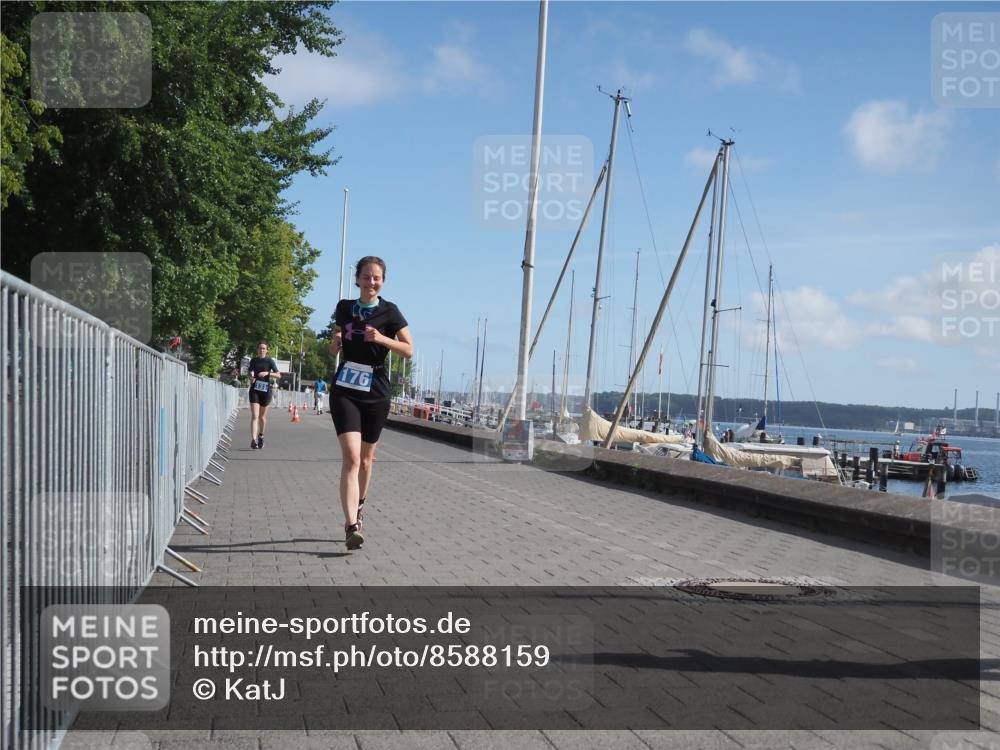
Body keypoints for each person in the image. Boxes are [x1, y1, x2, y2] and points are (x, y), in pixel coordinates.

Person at [328, 256, 412, 550]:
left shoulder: (391, 312)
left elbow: (409, 349)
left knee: (365, 460)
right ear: (358, 279)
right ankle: (351, 526)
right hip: (345, 388)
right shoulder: (344, 307)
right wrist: (335, 342)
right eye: (366, 277)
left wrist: (382, 340)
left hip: (375, 389)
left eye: (376, 278)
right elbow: (337, 334)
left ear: (382, 281)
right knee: (351, 459)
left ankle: (360, 505)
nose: (371, 282)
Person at [248, 342, 280, 450]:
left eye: (264, 348)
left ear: (266, 350)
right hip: (255, 390)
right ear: (257, 350)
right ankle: (253, 440)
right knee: (255, 416)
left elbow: (279, 375)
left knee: (262, 417)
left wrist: (268, 373)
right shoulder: (254, 361)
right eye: (260, 348)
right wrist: (251, 378)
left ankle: (261, 436)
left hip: (266, 390)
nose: (261, 350)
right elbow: (249, 372)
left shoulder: (269, 361)